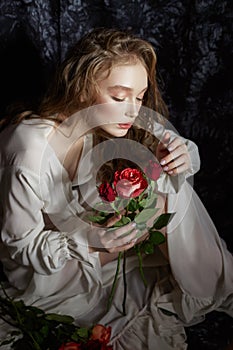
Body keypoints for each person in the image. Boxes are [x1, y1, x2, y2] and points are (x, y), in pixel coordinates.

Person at [0, 27, 232, 349]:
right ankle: (220, 285)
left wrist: (183, 154)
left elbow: (171, 150)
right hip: (50, 277)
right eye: (120, 97)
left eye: (139, 97)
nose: (133, 110)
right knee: (167, 191)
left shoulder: (108, 121)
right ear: (81, 87)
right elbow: (20, 248)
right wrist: (89, 240)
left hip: (96, 248)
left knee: (168, 183)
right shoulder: (27, 149)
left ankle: (218, 286)